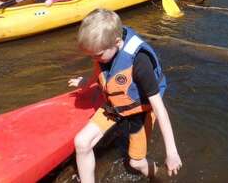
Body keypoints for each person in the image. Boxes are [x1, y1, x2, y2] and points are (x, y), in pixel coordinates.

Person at [69, 9, 182, 182]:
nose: (94, 59)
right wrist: (86, 82)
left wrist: (172, 152)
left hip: (139, 111)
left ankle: (159, 176)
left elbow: (160, 108)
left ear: (117, 42)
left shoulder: (139, 62)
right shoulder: (105, 50)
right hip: (116, 105)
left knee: (136, 163)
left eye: (97, 55)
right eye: (91, 55)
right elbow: (102, 70)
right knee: (82, 142)